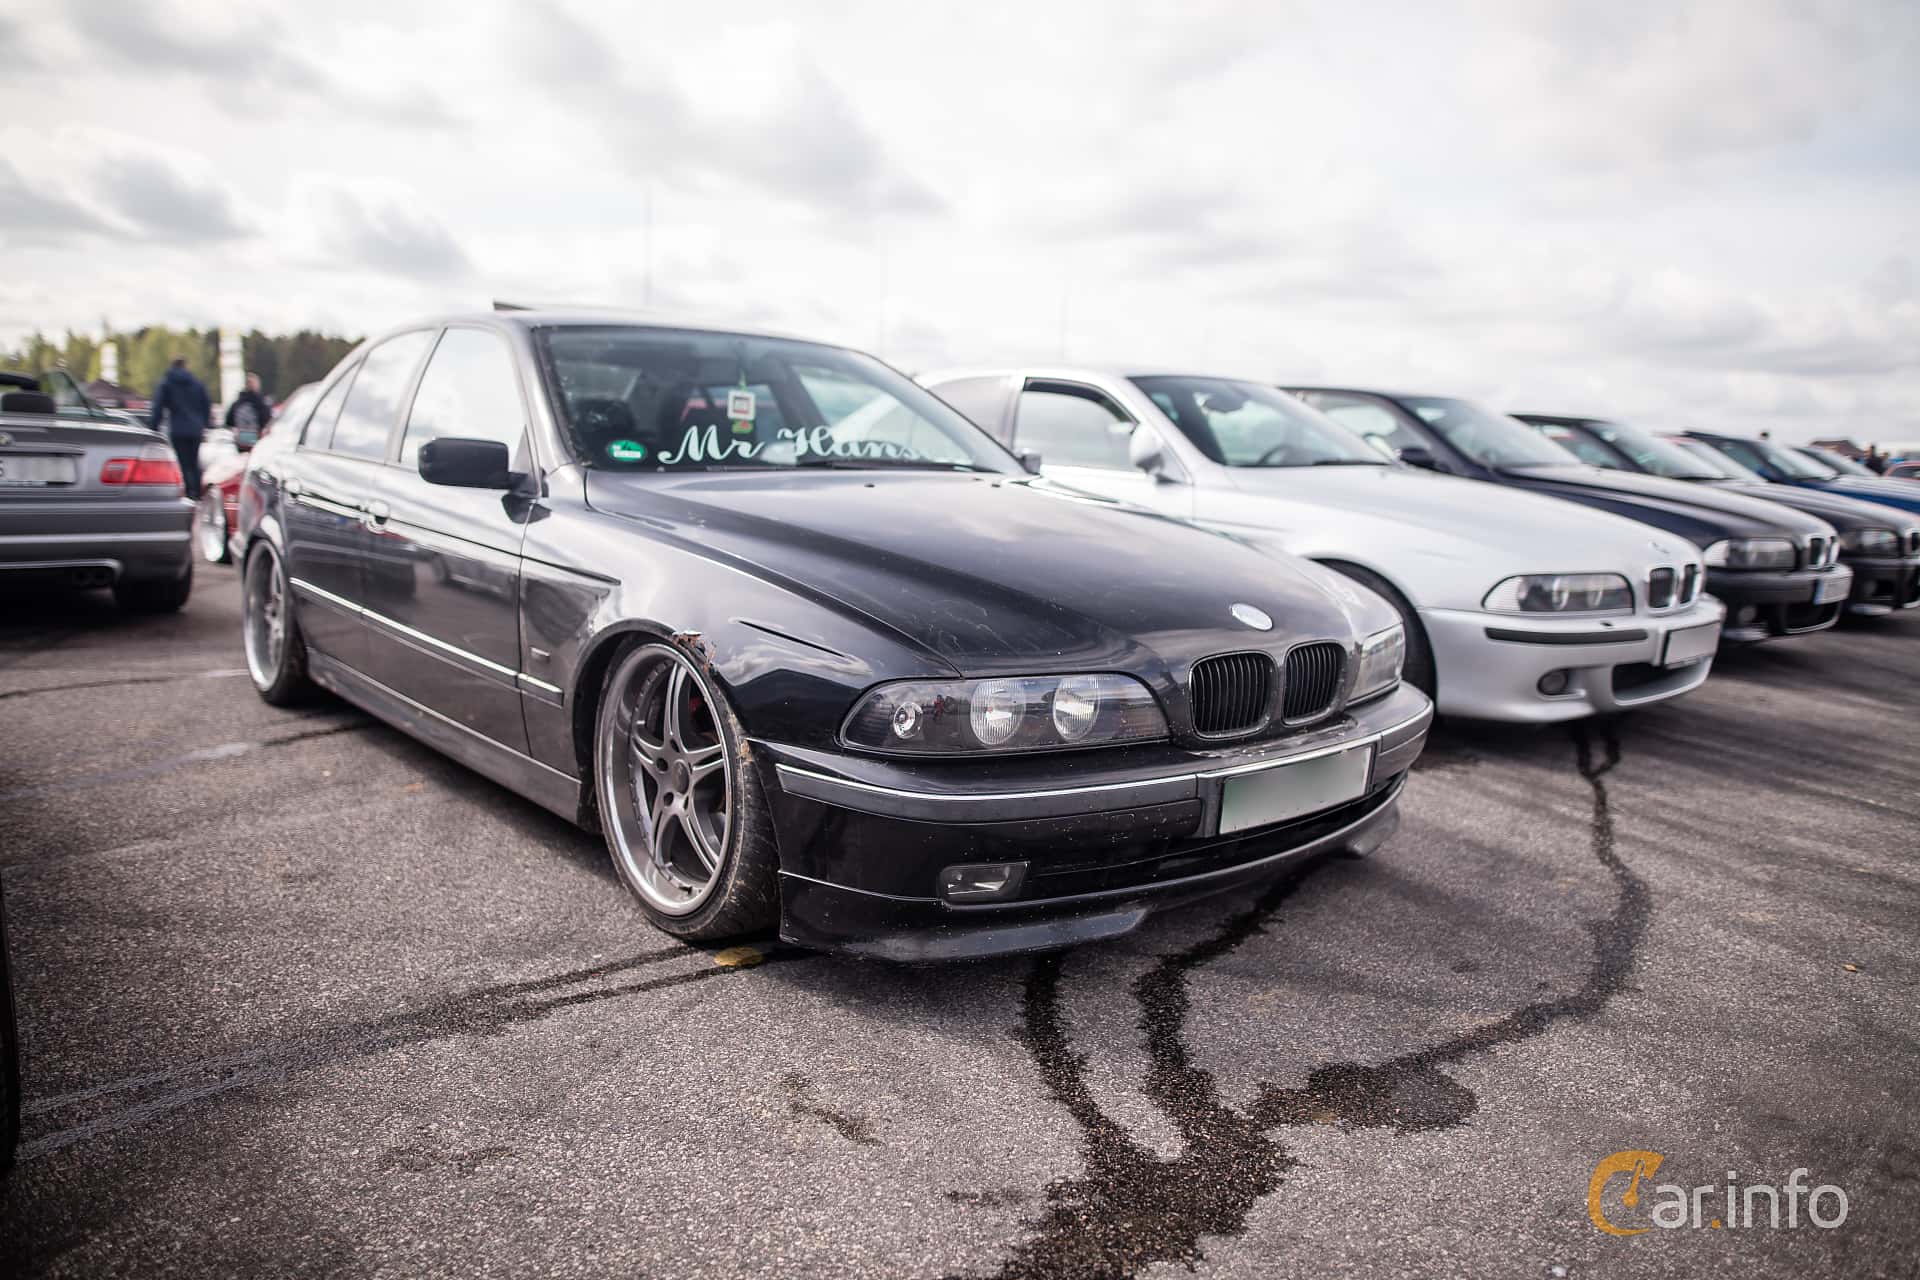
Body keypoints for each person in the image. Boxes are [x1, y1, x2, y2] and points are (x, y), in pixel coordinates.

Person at [148, 356, 211, 497]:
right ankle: (198, 492)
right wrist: (205, 424)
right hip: (196, 429)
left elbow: (158, 407)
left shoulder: (167, 383)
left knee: (183, 463)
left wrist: (153, 428)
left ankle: (188, 492)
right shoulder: (196, 383)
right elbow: (206, 405)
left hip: (178, 429)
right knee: (194, 462)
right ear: (185, 366)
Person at [224, 372, 272, 442]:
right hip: (257, 440)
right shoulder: (262, 404)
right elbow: (267, 421)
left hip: (241, 439)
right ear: (257, 385)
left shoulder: (237, 403)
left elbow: (228, 421)